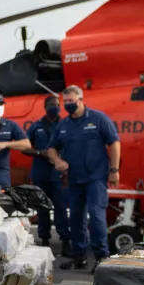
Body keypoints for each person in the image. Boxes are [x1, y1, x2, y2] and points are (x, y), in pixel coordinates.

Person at [44, 85, 120, 270]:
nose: (68, 104)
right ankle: (79, 257)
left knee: (96, 215)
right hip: (74, 179)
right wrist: (57, 160)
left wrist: (114, 169)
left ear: (81, 99)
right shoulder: (63, 125)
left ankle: (102, 258)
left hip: (96, 177)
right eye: (66, 102)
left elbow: (114, 143)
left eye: (72, 101)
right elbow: (51, 148)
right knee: (76, 218)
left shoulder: (98, 119)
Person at [26, 95, 69, 252]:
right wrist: (39, 153)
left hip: (58, 173)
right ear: (45, 107)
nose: (55, 107)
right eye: (52, 104)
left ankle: (65, 240)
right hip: (41, 172)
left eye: (57, 104)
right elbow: (26, 147)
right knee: (42, 207)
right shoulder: (36, 126)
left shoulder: (65, 124)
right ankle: (44, 239)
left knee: (61, 207)